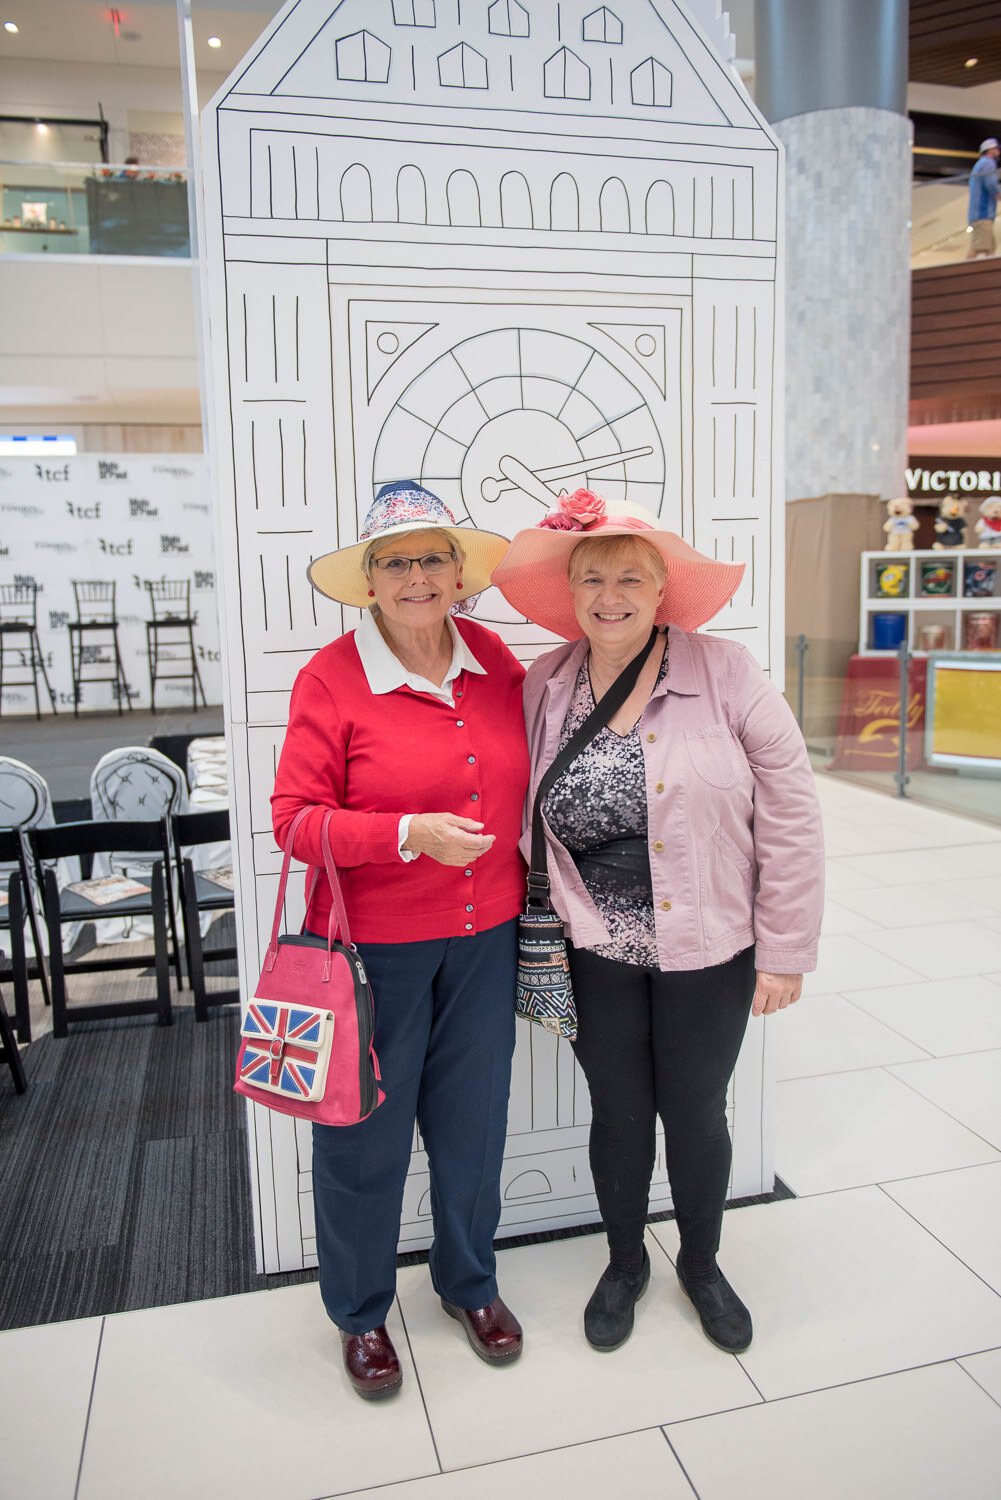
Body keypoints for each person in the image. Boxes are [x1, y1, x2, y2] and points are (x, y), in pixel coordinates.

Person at [493, 489, 824, 1356]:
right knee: (618, 1107)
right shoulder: (544, 682)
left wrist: (784, 951)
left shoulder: (725, 672)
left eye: (630, 577)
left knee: (695, 1108)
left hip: (709, 941)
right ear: (571, 591)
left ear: (659, 587)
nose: (611, 594)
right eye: (592, 577)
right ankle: (624, 1261)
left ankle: (703, 1264)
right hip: (590, 942)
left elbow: (791, 812)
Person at [271, 480, 529, 1400]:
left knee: (472, 1126)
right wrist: (402, 833)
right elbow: (294, 823)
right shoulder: (330, 678)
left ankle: (468, 1284)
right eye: (394, 561)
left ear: (458, 574)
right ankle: (359, 1310)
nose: (416, 576)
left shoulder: (495, 658)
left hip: (485, 938)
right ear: (368, 581)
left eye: (431, 558)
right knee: (362, 1138)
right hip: (370, 952)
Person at [967, 138, 999, 260]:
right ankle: (965, 274)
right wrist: (998, 194)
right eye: (996, 148)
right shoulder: (988, 163)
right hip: (982, 213)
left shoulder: (979, 164)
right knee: (979, 246)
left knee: (989, 247)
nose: (998, 151)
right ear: (990, 150)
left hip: (980, 214)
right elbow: (990, 183)